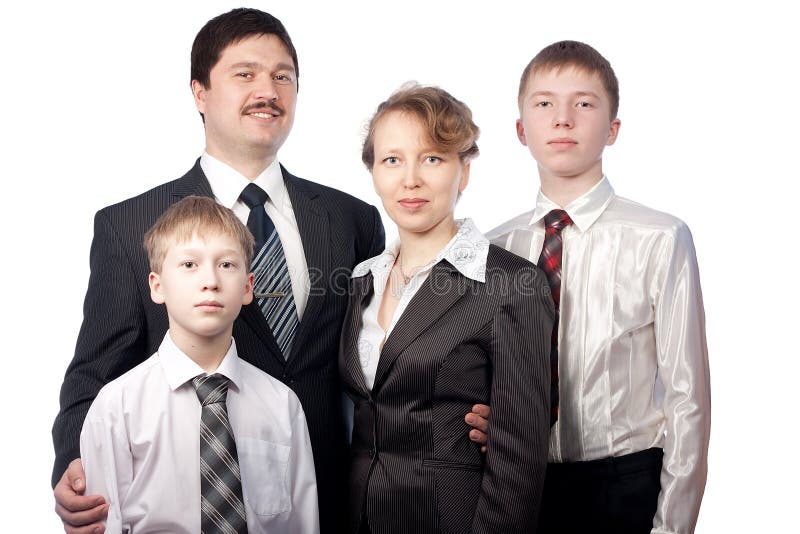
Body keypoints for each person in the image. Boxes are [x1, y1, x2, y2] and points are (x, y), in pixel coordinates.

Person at [52, 8, 489, 533]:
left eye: (283, 76)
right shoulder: (131, 224)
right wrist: (73, 469)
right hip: (196, 496)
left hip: (341, 501)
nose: (269, 90)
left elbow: (390, 351)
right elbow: (93, 374)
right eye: (245, 74)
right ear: (199, 93)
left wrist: (469, 405)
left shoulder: (351, 218)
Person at [488, 40, 711, 534]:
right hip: (519, 487)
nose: (563, 118)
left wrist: (672, 526)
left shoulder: (659, 238)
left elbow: (687, 397)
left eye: (583, 103)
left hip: (624, 485)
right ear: (522, 130)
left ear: (612, 129)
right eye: (544, 103)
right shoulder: (492, 248)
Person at [340, 84, 553, 534]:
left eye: (432, 158)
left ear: (464, 172)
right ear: (374, 172)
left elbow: (519, 463)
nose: (410, 178)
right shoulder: (362, 280)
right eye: (392, 160)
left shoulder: (510, 284)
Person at [80, 196, 318, 533]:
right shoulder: (117, 407)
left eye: (226, 265)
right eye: (189, 264)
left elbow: (302, 524)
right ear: (157, 285)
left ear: (248, 287)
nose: (210, 280)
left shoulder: (282, 405)